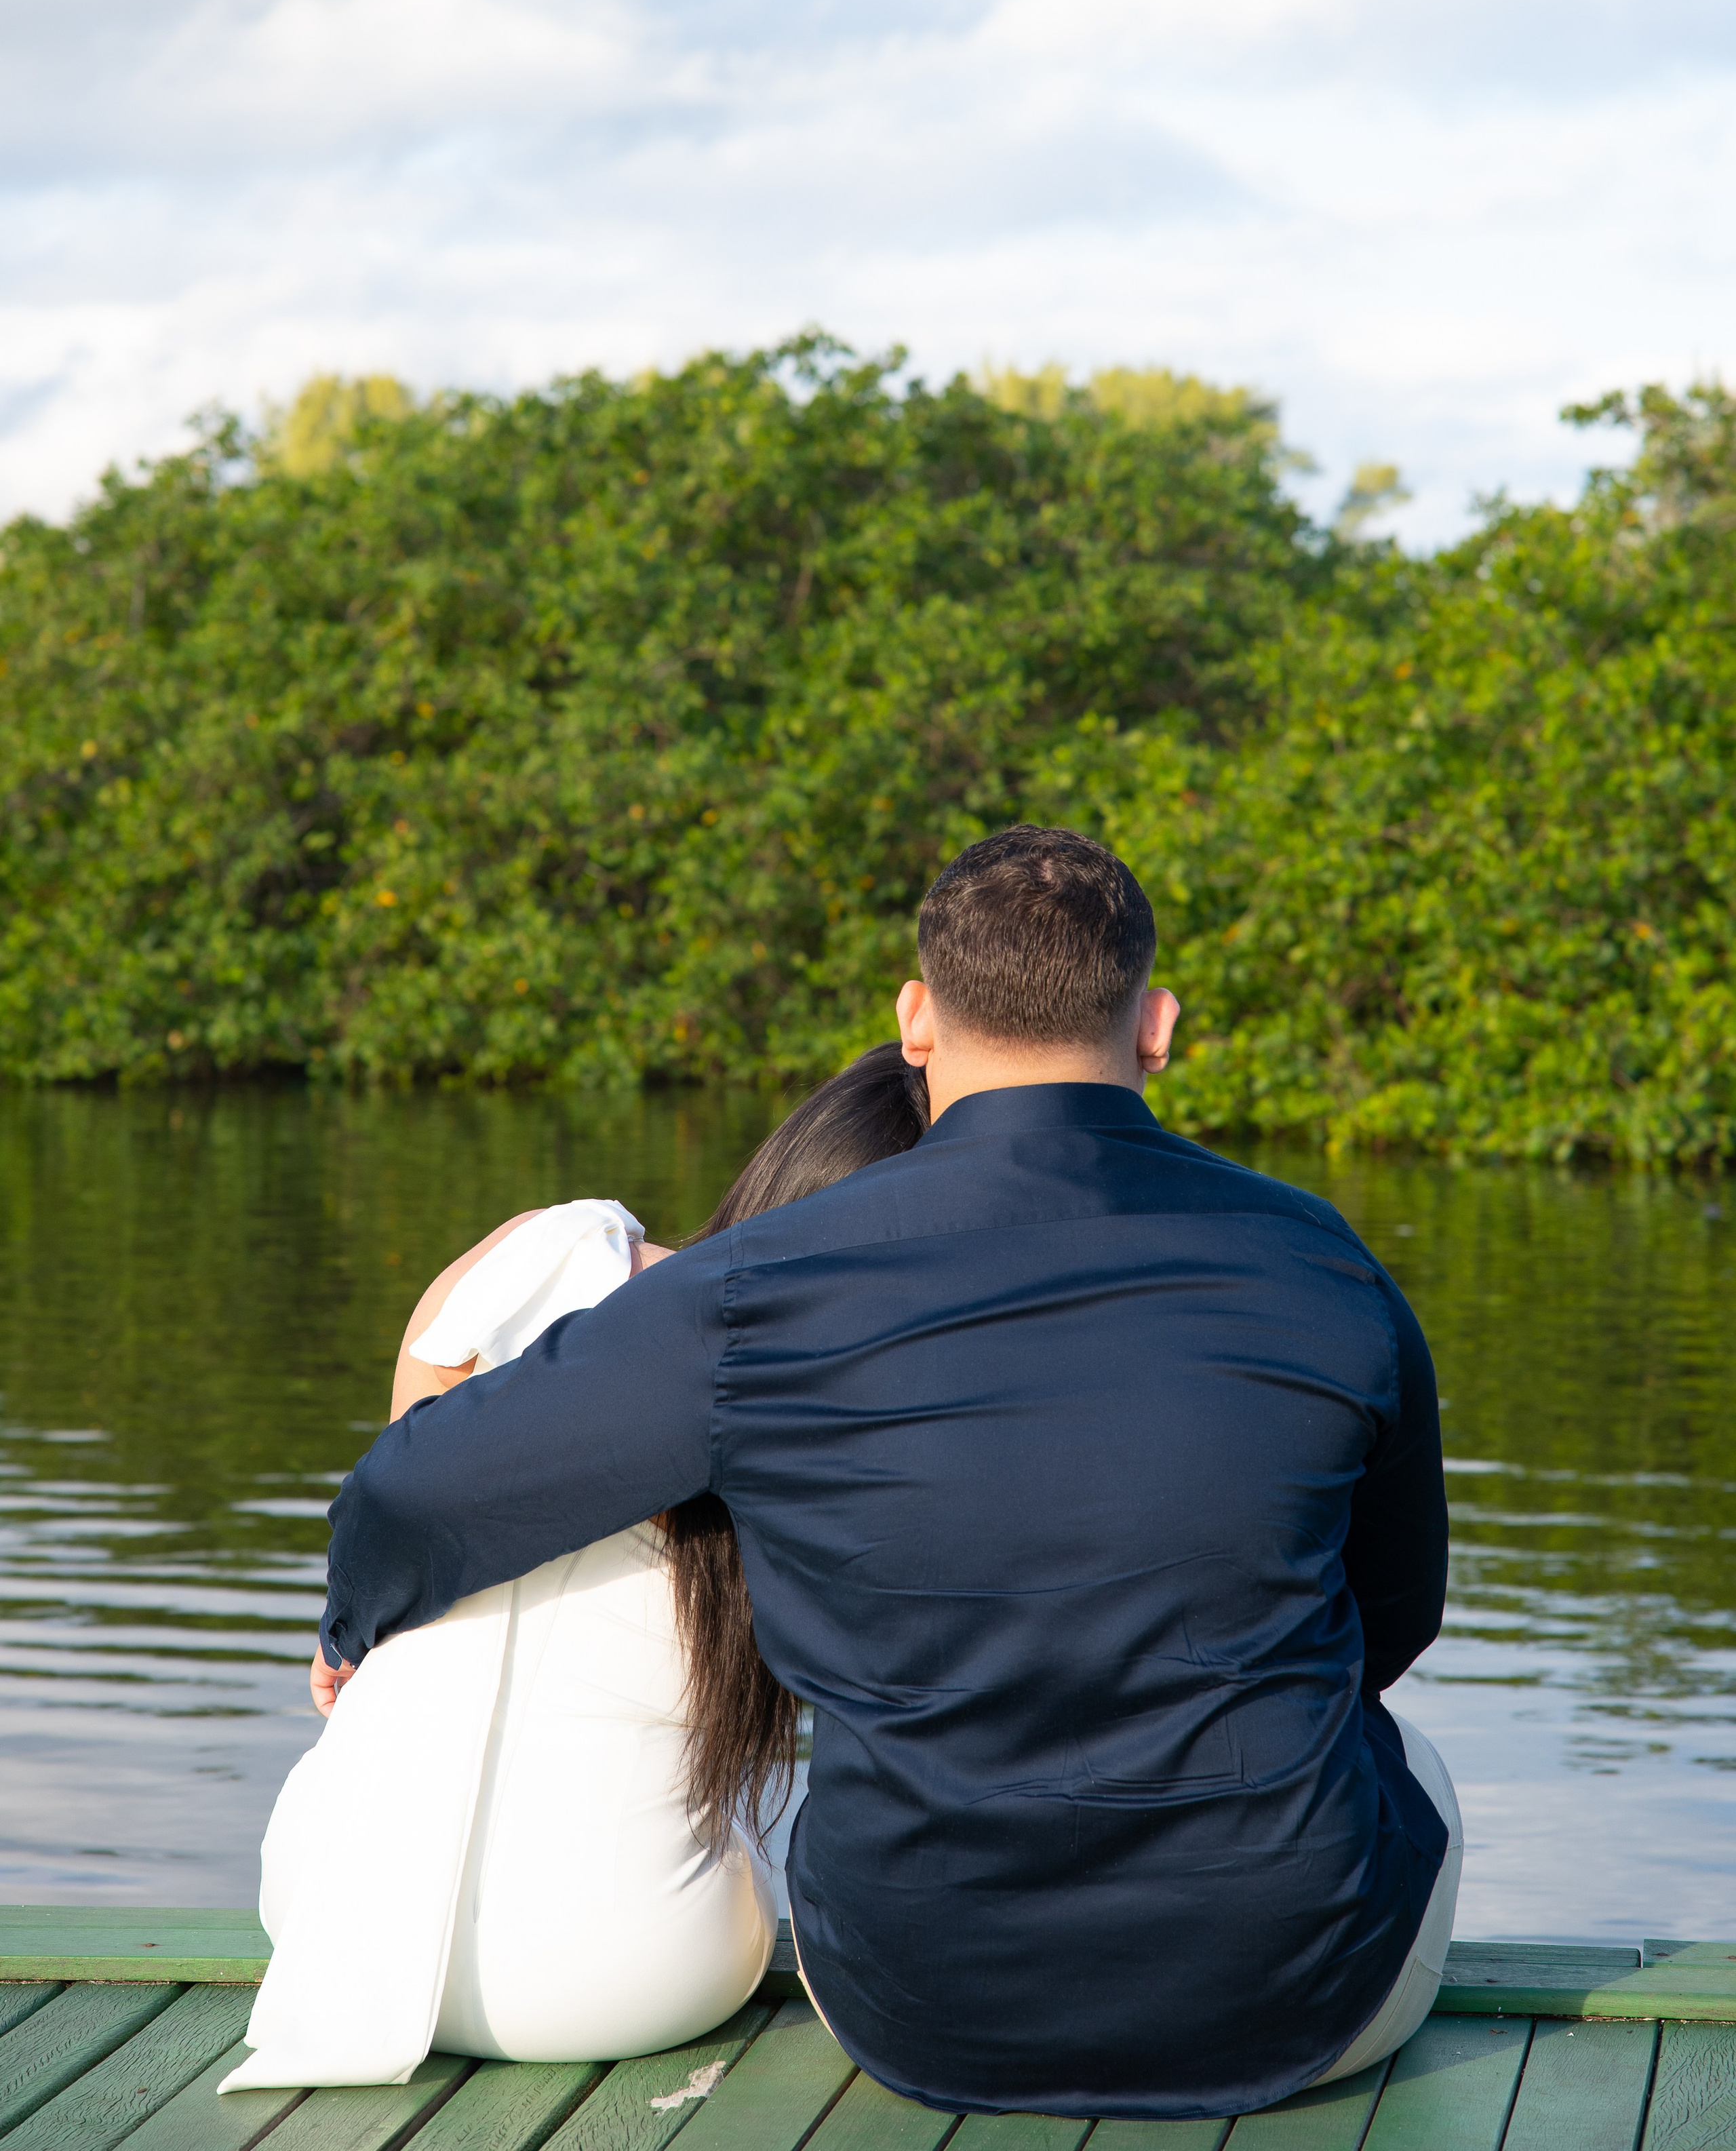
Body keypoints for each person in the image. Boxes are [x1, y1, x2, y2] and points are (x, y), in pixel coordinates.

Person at [315, 826, 1457, 2122]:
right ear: (1156, 1027)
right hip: (1305, 2001)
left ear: (916, 1019)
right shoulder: (1325, 1262)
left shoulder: (751, 1288)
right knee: (1402, 1754)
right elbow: (1392, 1619)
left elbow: (413, 1492)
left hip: (924, 2006)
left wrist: (356, 1632)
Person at [221, 1043, 929, 2092]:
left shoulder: (548, 1253)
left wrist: (349, 1631)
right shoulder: (863, 1410)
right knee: (737, 1846)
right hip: (632, 1977)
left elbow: (408, 1495)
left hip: (333, 1920)